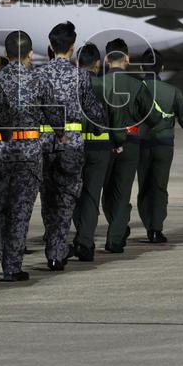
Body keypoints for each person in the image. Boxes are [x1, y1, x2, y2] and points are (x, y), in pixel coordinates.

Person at [33, 22, 105, 270]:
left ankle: (53, 243)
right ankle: (56, 250)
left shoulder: (37, 75)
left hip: (42, 143)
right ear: (72, 48)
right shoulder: (81, 76)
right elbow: (95, 113)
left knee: (48, 196)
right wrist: (100, 129)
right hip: (72, 144)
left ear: (50, 48)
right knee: (66, 198)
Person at [0, 30, 61, 281]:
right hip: (29, 153)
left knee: (3, 207)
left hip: (0, 151)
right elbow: (54, 114)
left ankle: (3, 251)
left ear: (7, 54)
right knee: (20, 211)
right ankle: (12, 265)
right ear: (30, 53)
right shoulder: (39, 80)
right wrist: (61, 132)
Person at [99, 39, 155, 254]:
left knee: (107, 194)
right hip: (130, 142)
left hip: (105, 143)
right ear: (127, 58)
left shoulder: (98, 84)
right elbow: (149, 115)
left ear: (106, 59)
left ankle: (118, 229)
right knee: (122, 194)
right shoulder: (137, 85)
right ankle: (115, 238)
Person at [136, 52, 183, 243]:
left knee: (144, 185)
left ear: (143, 67)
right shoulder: (171, 90)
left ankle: (147, 225)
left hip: (141, 144)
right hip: (164, 144)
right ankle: (156, 228)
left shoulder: (135, 90)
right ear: (161, 67)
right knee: (160, 186)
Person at [71, 44, 113, 262]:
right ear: (98, 64)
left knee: (74, 196)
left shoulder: (71, 84)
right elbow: (114, 121)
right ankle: (85, 242)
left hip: (74, 146)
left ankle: (81, 235)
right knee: (91, 197)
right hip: (99, 148)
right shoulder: (106, 87)